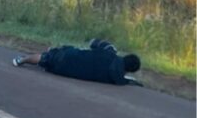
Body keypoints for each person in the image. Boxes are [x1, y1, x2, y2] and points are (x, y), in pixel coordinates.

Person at [12, 39, 142, 85]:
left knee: (46, 57)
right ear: (129, 70)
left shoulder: (110, 51)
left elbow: (93, 42)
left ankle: (21, 60)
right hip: (66, 71)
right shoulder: (118, 80)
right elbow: (129, 81)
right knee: (49, 61)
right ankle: (49, 57)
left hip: (70, 56)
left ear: (126, 56)